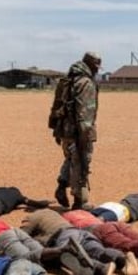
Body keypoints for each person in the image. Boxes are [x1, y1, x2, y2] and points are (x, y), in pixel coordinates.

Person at [48, 51, 102, 210]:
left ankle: (61, 186)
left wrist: (57, 131)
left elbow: (56, 106)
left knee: (70, 159)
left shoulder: (67, 80)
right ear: (91, 65)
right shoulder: (85, 83)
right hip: (78, 133)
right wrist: (84, 139)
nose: (97, 70)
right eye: (96, 66)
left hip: (64, 131)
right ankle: (79, 203)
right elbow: (84, 114)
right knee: (81, 165)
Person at [20, 209, 131, 275]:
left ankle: (102, 268)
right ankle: (121, 258)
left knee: (65, 254)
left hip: (63, 236)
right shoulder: (52, 213)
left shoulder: (31, 218)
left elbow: (23, 236)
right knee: (97, 250)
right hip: (80, 232)